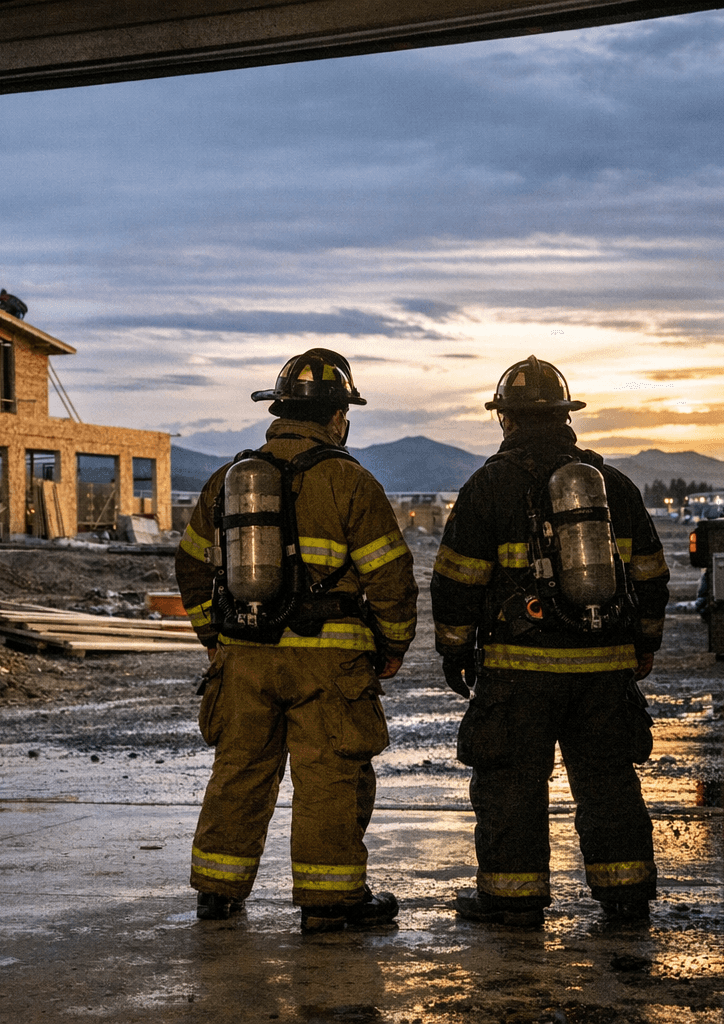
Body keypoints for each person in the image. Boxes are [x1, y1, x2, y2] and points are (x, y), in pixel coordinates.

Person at [175, 349, 419, 934]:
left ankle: (217, 892)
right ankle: (330, 903)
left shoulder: (229, 480)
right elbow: (391, 576)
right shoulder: (352, 482)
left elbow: (188, 566)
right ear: (339, 417)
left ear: (277, 410)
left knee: (239, 770)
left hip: (244, 656)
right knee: (330, 776)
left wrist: (214, 636)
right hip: (329, 664)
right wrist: (393, 645)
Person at [431, 356, 670, 927]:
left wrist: (455, 649)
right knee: (608, 779)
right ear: (567, 417)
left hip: (518, 672)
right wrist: (644, 644)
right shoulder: (613, 485)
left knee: (512, 781)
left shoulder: (488, 486)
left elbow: (457, 579)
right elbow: (652, 574)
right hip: (605, 667)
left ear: (505, 420)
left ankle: (511, 901)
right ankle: (626, 896)